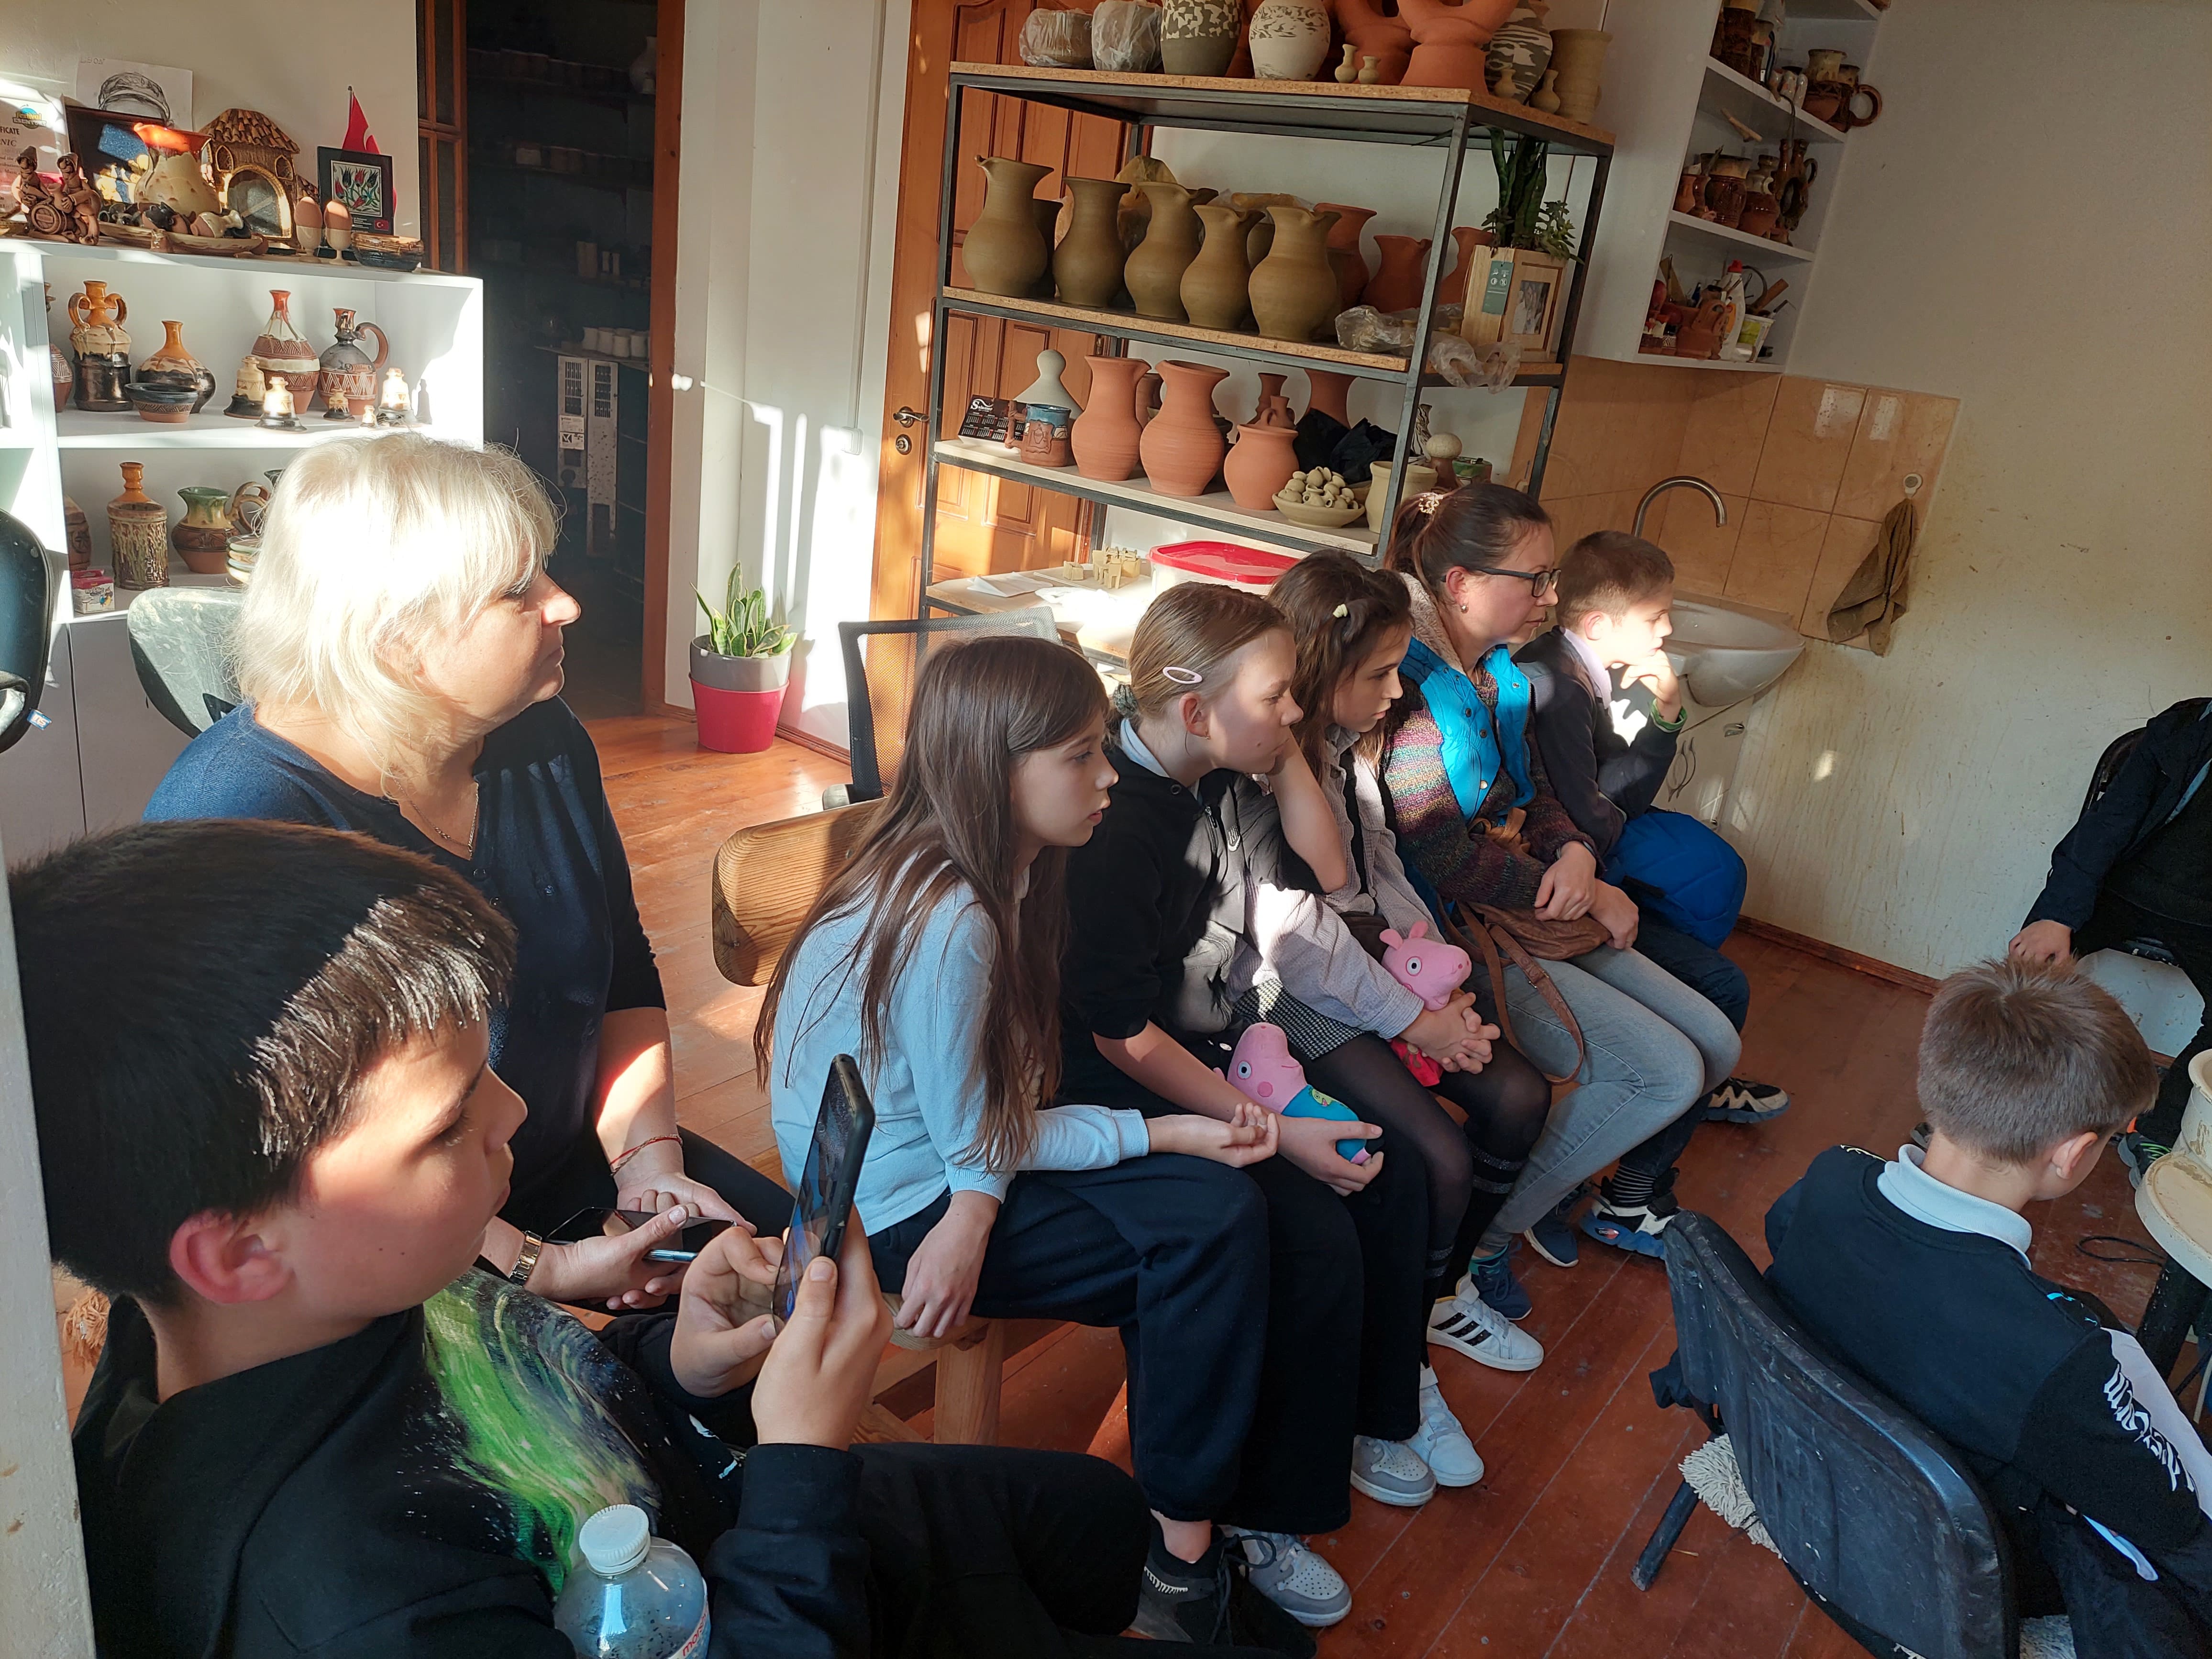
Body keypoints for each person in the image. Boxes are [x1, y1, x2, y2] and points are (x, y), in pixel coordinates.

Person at [17, 820, 1272, 1659]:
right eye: (448, 1123)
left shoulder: (352, 1284)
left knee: (1093, 1521)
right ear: (238, 1252)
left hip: (720, 1502)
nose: (517, 1113)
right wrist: (803, 1458)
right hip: (772, 1572)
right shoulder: (358, 1602)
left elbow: (537, 1416)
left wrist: (685, 1365)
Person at [759, 632, 1310, 1655]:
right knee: (1205, 1231)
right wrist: (1156, 1133)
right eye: (1079, 755)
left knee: (1208, 1214)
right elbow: (980, 1143)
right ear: (994, 768)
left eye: (1102, 747)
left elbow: (979, 1122)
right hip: (897, 1218)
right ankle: (1182, 1564)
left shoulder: (977, 869)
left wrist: (1164, 1133)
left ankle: (1179, 1529)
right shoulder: (953, 915)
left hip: (919, 1171)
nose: (1108, 776)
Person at [144, 435, 783, 1311]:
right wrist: (541, 1267)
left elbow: (619, 966)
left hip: (570, 1166)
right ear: (395, 635)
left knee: (798, 1271)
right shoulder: (240, 823)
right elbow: (297, 1151)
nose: (565, 604)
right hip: (392, 1247)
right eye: (518, 590)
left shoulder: (541, 736)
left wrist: (650, 1169)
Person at [1058, 582, 1482, 1628]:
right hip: (1127, 1083)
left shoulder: (1222, 776)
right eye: (1278, 696)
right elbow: (1120, 1037)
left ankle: (1372, 1413)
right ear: (1195, 711)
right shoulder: (1112, 827)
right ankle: (1254, 1511)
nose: (1297, 712)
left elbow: (1313, 886)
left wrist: (1278, 748)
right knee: (1304, 1237)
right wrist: (1275, 1133)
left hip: (1226, 1050)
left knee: (1385, 1175)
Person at [1765, 959, 2212, 1656]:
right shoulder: (2055, 1357)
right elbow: (2169, 1513)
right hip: (1951, 1558)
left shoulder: (1828, 1177)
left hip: (1802, 1473)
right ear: (2073, 1154)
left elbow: (1782, 1242)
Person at [1378, 485, 1741, 1308]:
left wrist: (1574, 851)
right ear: (1461, 584)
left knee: (1715, 1044)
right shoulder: (1410, 685)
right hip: (1448, 930)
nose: (1549, 598)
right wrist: (1572, 890)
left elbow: (1534, 789)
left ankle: (1548, 1184)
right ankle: (1482, 1239)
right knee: (1664, 1074)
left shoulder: (1498, 672)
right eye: (1534, 579)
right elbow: (1436, 854)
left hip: (1525, 902)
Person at [1266, 552, 1550, 1372]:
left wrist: (1438, 979)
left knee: (1518, 1094)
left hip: (1379, 964)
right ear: (1321, 670)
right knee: (1439, 1158)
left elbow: (1381, 862)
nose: (1397, 691)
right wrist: (1414, 1020)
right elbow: (1301, 938)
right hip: (1297, 992)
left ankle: (1437, 1296)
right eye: (1380, 673)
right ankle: (1397, 1361)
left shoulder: (1348, 747)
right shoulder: (1268, 771)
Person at [1515, 530, 1790, 1258]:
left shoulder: (1573, 671)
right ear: (1598, 624)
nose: (1669, 630)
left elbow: (1608, 807)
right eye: (1656, 616)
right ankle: (1623, 1189)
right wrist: (1663, 723)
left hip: (1583, 877)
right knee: (1717, 984)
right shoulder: (1555, 688)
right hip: (1554, 900)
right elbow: (1600, 814)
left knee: (1708, 950)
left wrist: (1661, 720)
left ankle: (1657, 1142)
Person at [2012, 696, 2212, 1179]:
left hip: (2206, 919)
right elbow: (2108, 822)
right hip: (2123, 885)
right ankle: (1992, 1113)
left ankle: (2158, 1129)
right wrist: (2056, 915)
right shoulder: (2183, 726)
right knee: (2028, 970)